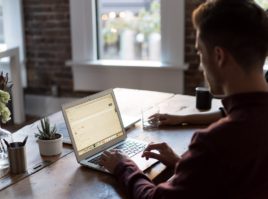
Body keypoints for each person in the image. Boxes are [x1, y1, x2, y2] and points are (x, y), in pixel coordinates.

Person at [99, 0, 268, 198]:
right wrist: (185, 164)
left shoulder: (215, 142)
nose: (200, 66)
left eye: (200, 52)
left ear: (219, 56)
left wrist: (123, 166)